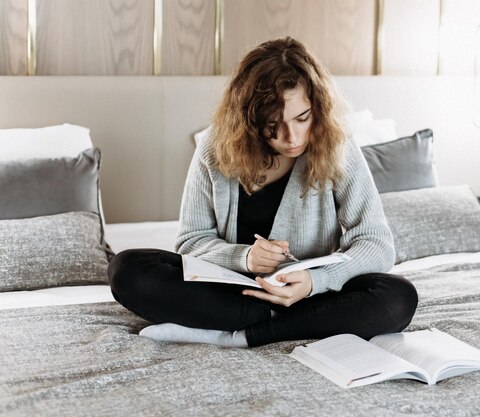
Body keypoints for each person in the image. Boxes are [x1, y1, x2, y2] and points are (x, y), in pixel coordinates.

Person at [107, 37, 418, 348]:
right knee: (127, 269)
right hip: (233, 293)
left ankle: (241, 335)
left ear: (317, 108)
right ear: (250, 118)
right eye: (273, 124)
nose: (291, 137)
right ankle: (277, 324)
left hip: (314, 296)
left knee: (398, 297)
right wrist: (246, 258)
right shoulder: (214, 149)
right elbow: (191, 241)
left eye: (302, 118)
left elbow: (376, 243)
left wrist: (314, 282)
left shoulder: (337, 145)